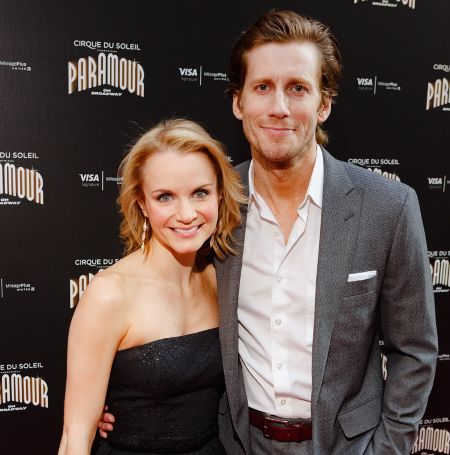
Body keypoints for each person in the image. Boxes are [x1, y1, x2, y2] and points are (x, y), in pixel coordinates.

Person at [100, 10, 438, 455]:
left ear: (323, 104)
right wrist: (123, 396)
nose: (279, 107)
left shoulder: (388, 208)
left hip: (348, 447)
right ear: (238, 102)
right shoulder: (212, 207)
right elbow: (155, 297)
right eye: (262, 87)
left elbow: (414, 351)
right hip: (238, 444)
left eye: (297, 88)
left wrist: (388, 449)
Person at [58, 118, 245, 455]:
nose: (186, 214)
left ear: (219, 193)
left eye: (200, 193)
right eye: (165, 197)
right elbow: (76, 435)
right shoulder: (111, 293)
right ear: (142, 203)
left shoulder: (223, 279)